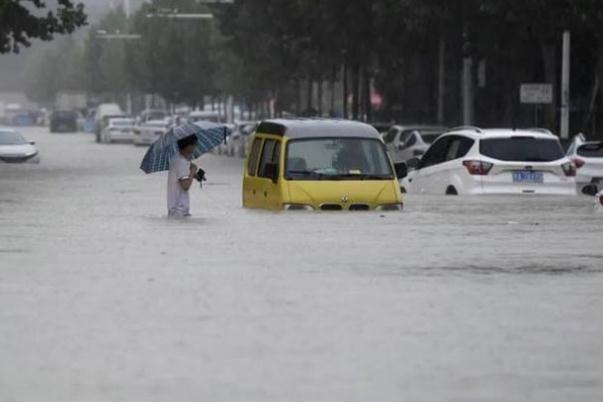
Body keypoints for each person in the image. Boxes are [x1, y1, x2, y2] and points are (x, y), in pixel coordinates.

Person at [167, 135, 199, 218]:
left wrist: (194, 174)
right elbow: (185, 186)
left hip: (174, 211)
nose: (195, 147)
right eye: (194, 144)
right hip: (180, 212)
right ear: (188, 146)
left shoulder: (176, 159)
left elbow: (181, 177)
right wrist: (192, 171)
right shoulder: (182, 162)